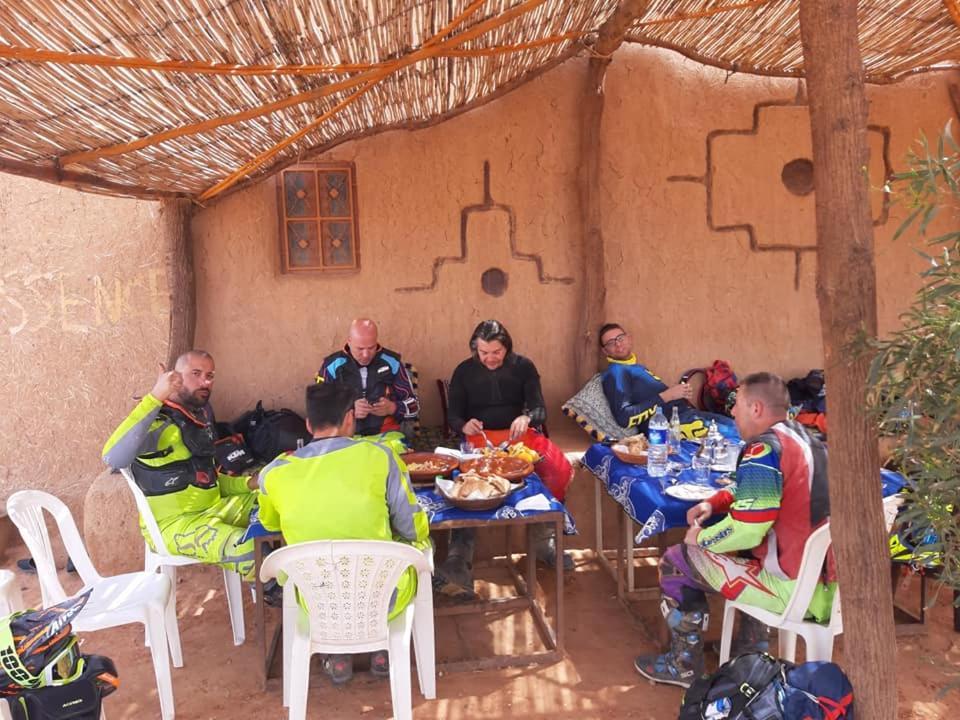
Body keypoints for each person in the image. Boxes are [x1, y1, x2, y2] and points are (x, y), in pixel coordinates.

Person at [634, 372, 831, 688]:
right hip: (825, 589)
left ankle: (683, 665)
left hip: (790, 590)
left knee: (677, 560)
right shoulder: (805, 441)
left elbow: (750, 527)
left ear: (755, 408)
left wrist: (700, 538)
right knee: (748, 552)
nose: (732, 412)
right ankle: (752, 648)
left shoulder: (763, 451)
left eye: (736, 404)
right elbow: (754, 491)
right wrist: (716, 502)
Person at [257, 382, 430, 684]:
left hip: (318, 600)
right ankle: (381, 647)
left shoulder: (273, 473)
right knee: (415, 548)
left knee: (316, 571)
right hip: (384, 597)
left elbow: (271, 525)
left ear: (309, 424)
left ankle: (337, 655)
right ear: (350, 418)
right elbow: (410, 527)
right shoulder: (381, 456)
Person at [436, 320, 574, 600]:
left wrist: (527, 417)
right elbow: (453, 416)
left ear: (507, 348)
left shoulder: (523, 367)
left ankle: (544, 541)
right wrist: (464, 425)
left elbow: (539, 409)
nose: (489, 358)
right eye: (484, 352)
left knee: (558, 469)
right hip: (480, 438)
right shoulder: (464, 371)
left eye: (496, 352)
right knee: (470, 486)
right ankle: (459, 557)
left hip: (517, 437)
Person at [102, 351, 259, 580]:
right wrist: (156, 395)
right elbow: (113, 457)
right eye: (196, 374)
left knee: (283, 502)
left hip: (215, 509)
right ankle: (287, 603)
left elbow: (208, 480)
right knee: (251, 552)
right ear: (175, 377)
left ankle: (293, 601)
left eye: (210, 375)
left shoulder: (198, 419)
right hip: (174, 526)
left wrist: (251, 483)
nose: (205, 381)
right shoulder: (156, 424)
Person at [598, 322, 737, 439]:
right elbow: (624, 418)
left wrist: (679, 394)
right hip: (671, 426)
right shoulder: (616, 371)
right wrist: (668, 395)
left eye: (620, 338)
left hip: (686, 415)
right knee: (737, 435)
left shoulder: (635, 367)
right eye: (611, 343)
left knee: (739, 427)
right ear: (605, 351)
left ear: (629, 338)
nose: (618, 344)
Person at [316, 318, 419, 454]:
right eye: (360, 349)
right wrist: (349, 410)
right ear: (349, 342)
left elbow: (414, 407)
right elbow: (318, 410)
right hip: (344, 438)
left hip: (386, 437)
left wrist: (392, 408)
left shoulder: (392, 362)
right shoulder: (332, 366)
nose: (365, 355)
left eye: (371, 348)